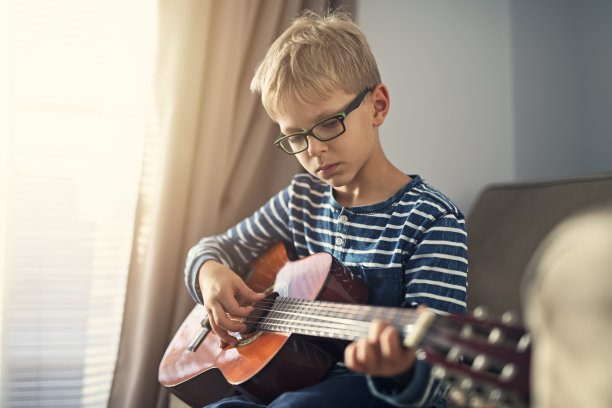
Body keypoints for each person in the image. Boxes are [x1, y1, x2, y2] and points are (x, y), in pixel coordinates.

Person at [184, 9, 468, 408]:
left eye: (329, 123)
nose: (313, 149)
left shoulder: (432, 221)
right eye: (294, 136)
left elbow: (438, 377)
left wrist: (401, 369)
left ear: (378, 106)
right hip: (289, 383)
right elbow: (212, 248)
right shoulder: (300, 201)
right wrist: (209, 275)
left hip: (373, 393)